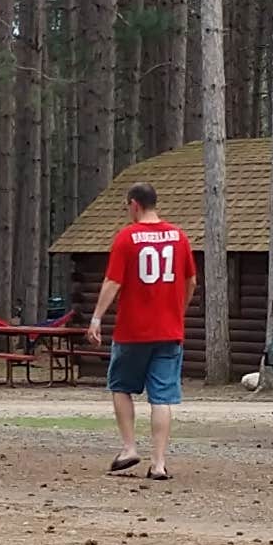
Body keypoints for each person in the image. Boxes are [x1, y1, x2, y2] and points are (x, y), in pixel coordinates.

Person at [88, 178, 190, 482]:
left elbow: (113, 282)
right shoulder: (179, 237)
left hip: (132, 331)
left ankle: (129, 447)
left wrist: (96, 318)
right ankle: (158, 463)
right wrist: (178, 312)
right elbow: (191, 281)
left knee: (120, 386)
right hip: (169, 331)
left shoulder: (127, 238)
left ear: (135, 205)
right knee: (163, 397)